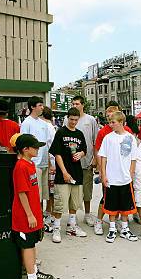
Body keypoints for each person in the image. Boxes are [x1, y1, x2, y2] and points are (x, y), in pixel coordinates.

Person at [10, 133, 54, 279]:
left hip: (33, 212)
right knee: (27, 245)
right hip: (24, 216)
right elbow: (22, 193)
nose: (37, 149)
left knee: (32, 244)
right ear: (25, 149)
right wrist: (29, 214)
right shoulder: (21, 166)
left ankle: (33, 270)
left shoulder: (29, 164)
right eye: (34, 147)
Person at [98, 111, 138, 243]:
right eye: (109, 122)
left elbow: (133, 158)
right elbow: (103, 158)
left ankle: (125, 229)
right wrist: (103, 175)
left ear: (121, 122)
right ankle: (112, 228)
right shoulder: (108, 138)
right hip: (111, 178)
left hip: (125, 178)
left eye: (113, 122)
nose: (110, 125)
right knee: (111, 206)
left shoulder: (130, 138)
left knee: (125, 205)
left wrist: (131, 173)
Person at [49, 107, 87, 243]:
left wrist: (81, 153)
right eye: (71, 119)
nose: (73, 122)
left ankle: (71, 226)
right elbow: (57, 153)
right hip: (63, 174)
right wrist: (64, 172)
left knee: (74, 203)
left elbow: (84, 150)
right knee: (60, 203)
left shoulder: (79, 134)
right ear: (67, 118)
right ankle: (56, 228)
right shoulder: (60, 132)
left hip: (77, 173)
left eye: (76, 120)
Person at [67, 96, 99, 228]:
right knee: (72, 190)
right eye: (73, 103)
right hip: (72, 162)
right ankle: (72, 216)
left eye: (78, 104)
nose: (75, 106)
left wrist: (95, 159)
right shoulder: (67, 120)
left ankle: (87, 214)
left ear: (83, 105)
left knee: (87, 190)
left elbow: (96, 141)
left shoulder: (90, 120)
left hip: (87, 161)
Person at [20, 96, 53, 226]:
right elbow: (22, 143)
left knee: (43, 194)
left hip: (44, 163)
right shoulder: (26, 123)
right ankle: (34, 218)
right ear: (33, 107)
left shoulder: (44, 124)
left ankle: (40, 217)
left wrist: (50, 163)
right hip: (34, 165)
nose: (42, 107)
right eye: (39, 105)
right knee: (35, 195)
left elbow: (48, 145)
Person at [41, 106, 57, 233]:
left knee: (43, 189)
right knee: (50, 190)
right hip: (51, 161)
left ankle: (45, 212)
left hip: (45, 162)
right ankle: (49, 211)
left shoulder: (45, 126)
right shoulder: (51, 127)